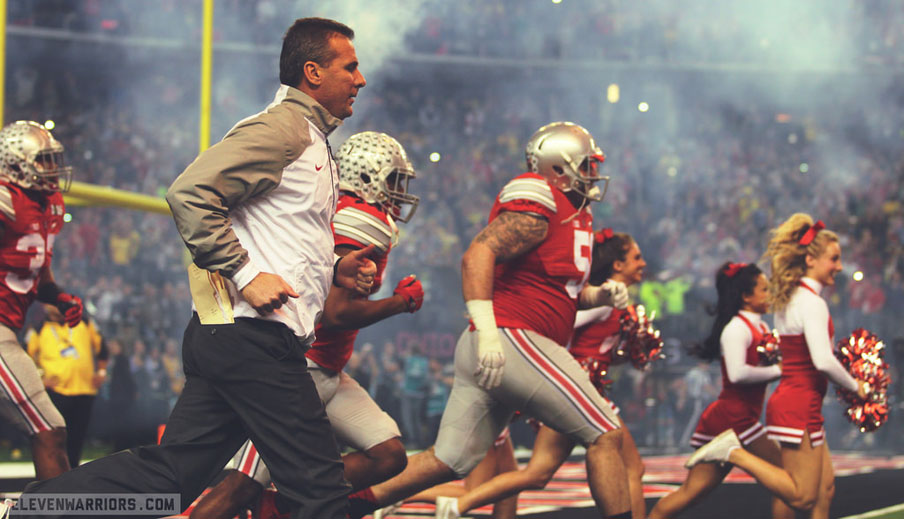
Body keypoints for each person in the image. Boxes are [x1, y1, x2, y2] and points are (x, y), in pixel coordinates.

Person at [16, 17, 373, 519]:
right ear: (313, 73)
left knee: (172, 478)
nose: (360, 79)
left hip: (234, 338)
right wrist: (247, 276)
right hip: (256, 339)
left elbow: (280, 231)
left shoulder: (308, 138)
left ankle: (38, 510)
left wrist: (336, 266)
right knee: (320, 489)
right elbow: (189, 194)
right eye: (350, 67)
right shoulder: (283, 129)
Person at [349, 121, 634, 519]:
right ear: (557, 167)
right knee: (605, 433)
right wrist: (488, 331)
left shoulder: (574, 216)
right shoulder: (541, 197)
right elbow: (478, 254)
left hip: (504, 342)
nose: (592, 174)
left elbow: (562, 294)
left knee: (449, 459)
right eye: (585, 165)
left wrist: (601, 295)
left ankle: (342, 506)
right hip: (510, 339)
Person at [188, 131, 423, 519]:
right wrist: (401, 302)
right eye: (394, 179)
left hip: (326, 368)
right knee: (241, 484)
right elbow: (337, 313)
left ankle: (287, 501)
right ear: (367, 176)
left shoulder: (342, 209)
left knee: (388, 454)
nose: (400, 191)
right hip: (299, 368)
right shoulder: (364, 219)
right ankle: (286, 497)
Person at [429, 230, 649, 519]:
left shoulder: (614, 299)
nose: (643, 263)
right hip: (572, 385)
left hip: (582, 385)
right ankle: (456, 503)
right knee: (625, 463)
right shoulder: (600, 299)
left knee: (538, 474)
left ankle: (457, 504)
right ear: (617, 265)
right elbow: (562, 324)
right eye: (637, 257)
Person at [684, 214, 869, 518]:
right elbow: (822, 360)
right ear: (810, 259)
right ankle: (734, 453)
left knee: (825, 489)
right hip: (797, 402)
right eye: (834, 259)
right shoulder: (810, 303)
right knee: (802, 497)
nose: (839, 266)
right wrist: (855, 385)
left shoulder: (795, 297)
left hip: (802, 401)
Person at [649, 262, 791, 518]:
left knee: (693, 492)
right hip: (733, 419)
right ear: (746, 297)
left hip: (739, 418)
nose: (769, 294)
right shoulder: (737, 329)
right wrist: (779, 370)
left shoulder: (761, 327)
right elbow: (737, 374)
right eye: (764, 289)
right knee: (787, 482)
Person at [0, 120, 79, 481]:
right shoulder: (7, 200)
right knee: (49, 428)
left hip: (9, 330)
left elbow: (37, 276)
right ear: (16, 163)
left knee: (51, 428)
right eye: (44, 160)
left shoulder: (48, 205)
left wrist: (59, 297)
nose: (53, 168)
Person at [27, 305, 107, 467]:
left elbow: (102, 346)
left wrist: (102, 371)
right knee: (55, 438)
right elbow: (24, 356)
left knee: (77, 438)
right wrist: (41, 380)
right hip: (56, 392)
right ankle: (55, 476)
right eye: (53, 303)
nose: (58, 308)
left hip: (84, 390)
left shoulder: (84, 322)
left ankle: (72, 476)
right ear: (46, 307)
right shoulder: (39, 329)